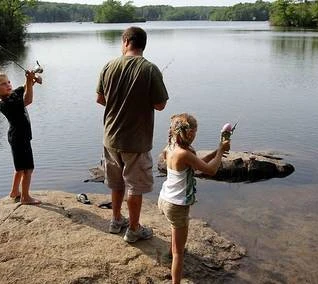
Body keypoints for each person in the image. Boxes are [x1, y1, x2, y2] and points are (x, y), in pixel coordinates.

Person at [96, 26, 169, 243]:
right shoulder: (150, 69)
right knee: (135, 186)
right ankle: (134, 229)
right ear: (142, 44)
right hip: (136, 140)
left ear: (126, 42)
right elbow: (160, 105)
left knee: (117, 182)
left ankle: (116, 219)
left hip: (110, 137)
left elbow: (100, 99)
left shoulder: (109, 65)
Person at [158, 113, 230, 284]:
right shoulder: (185, 153)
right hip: (177, 205)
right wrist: (220, 152)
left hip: (165, 199)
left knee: (175, 232)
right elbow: (210, 171)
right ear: (190, 134)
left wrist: (215, 152)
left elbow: (198, 164)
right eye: (195, 133)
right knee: (179, 253)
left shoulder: (170, 148)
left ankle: (170, 253)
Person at [0, 71, 41, 205]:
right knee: (28, 168)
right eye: (3, 84)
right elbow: (28, 100)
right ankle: (25, 197)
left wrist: (33, 80)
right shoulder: (6, 102)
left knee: (19, 168)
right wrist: (29, 81)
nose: (8, 85)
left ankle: (15, 192)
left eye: (8, 82)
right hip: (19, 138)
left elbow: (24, 88)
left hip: (18, 136)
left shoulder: (11, 95)